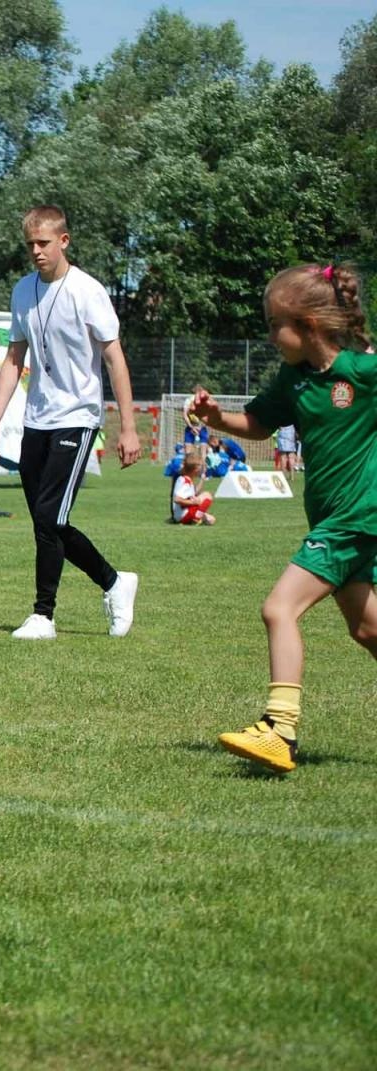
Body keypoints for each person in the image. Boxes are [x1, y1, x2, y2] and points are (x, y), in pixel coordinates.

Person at [189, 262, 377, 773]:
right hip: (332, 519)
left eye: (276, 324)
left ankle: (279, 729)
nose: (270, 335)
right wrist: (215, 418)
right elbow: (257, 422)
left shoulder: (364, 372)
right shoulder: (295, 380)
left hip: (357, 518)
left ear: (309, 325)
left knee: (279, 609)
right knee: (368, 631)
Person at [0, 204, 141, 641]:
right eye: (30, 244)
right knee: (47, 523)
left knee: (50, 517)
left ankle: (42, 616)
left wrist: (127, 427)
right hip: (37, 421)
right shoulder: (22, 291)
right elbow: (15, 359)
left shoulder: (87, 291)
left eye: (44, 243)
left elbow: (114, 359)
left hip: (78, 418)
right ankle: (113, 582)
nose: (36, 251)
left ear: (63, 241)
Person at [171, 446, 215, 525]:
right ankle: (196, 519)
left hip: (185, 512)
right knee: (207, 495)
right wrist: (193, 503)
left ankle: (196, 518)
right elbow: (177, 499)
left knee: (211, 520)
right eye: (201, 466)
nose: (202, 468)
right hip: (183, 514)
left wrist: (202, 479)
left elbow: (195, 492)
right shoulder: (184, 480)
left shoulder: (188, 480)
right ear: (196, 469)